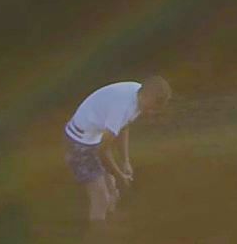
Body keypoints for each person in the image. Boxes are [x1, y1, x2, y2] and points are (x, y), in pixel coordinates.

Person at [62, 75, 171, 224]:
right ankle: (99, 233)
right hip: (78, 143)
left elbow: (124, 126)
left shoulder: (137, 94)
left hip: (94, 138)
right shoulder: (122, 106)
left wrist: (125, 161)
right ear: (147, 96)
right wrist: (120, 176)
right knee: (101, 197)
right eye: (151, 108)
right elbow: (102, 152)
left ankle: (110, 220)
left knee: (112, 188)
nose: (150, 113)